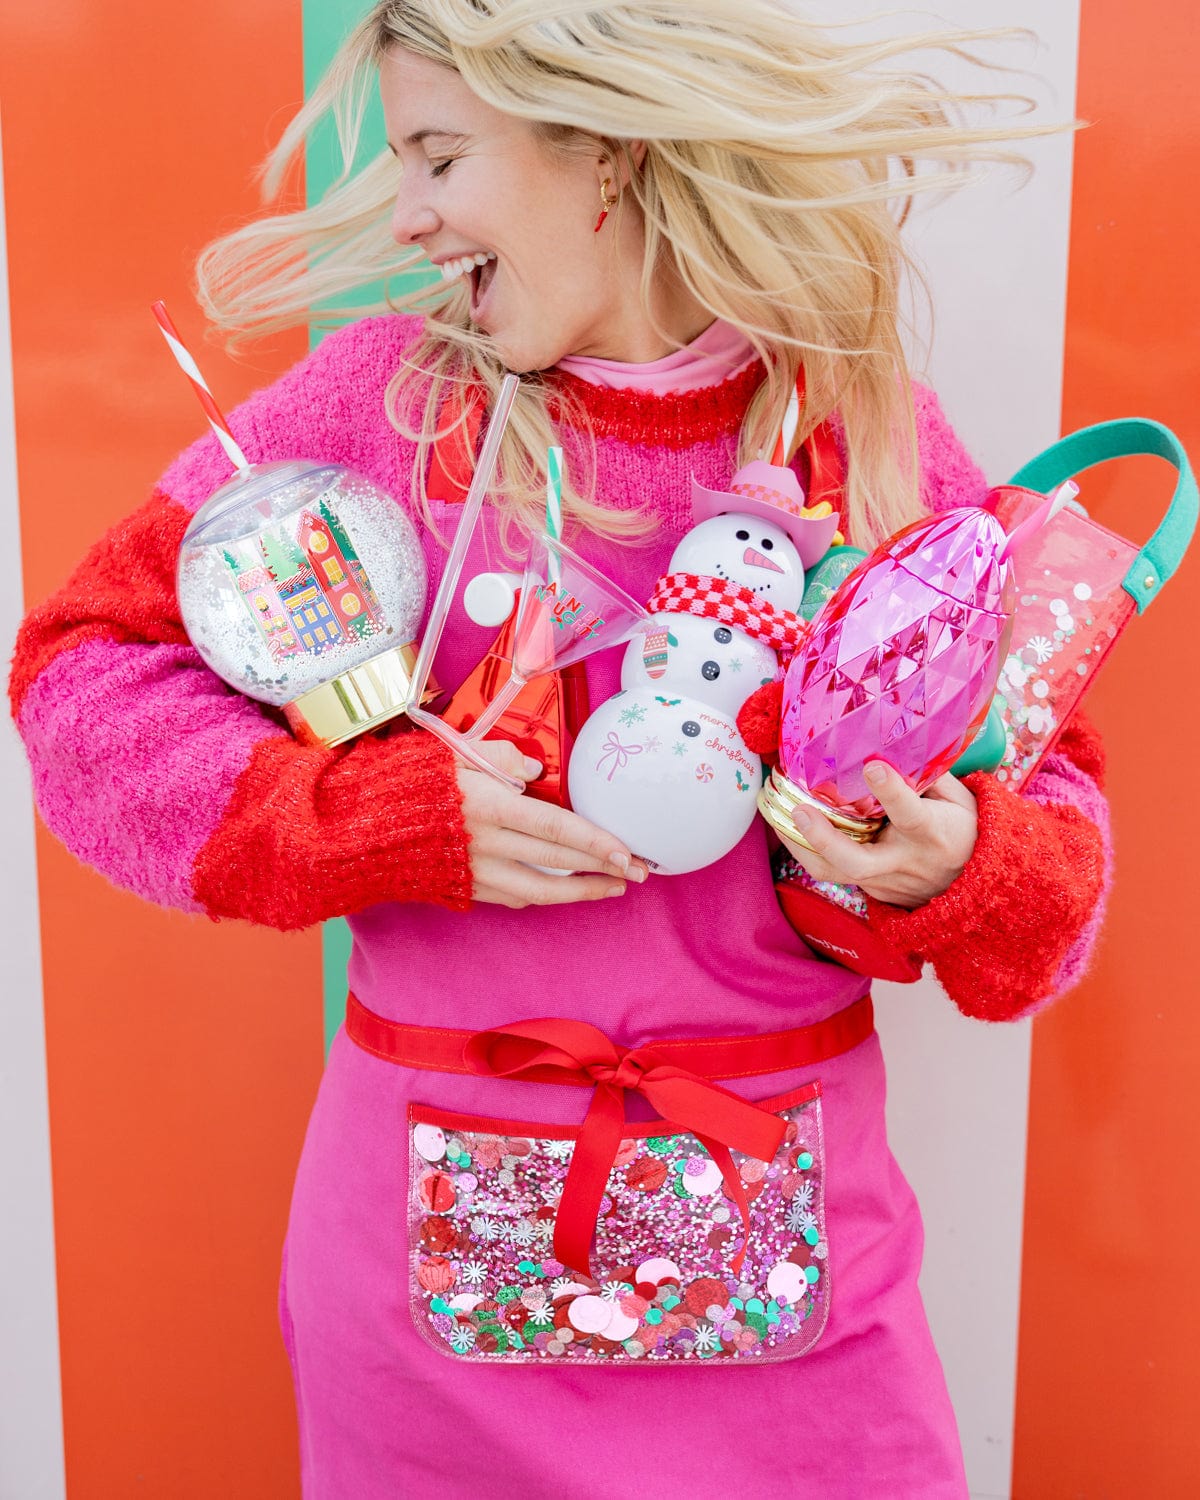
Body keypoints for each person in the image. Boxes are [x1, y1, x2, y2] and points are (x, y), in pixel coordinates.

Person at [8, 2, 1110, 1495]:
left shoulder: (864, 435)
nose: (410, 214)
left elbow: (1054, 833)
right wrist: (361, 812)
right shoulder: (384, 403)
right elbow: (80, 677)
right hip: (427, 1346)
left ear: (605, 151)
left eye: (442, 158)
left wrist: (961, 861)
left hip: (802, 1317)